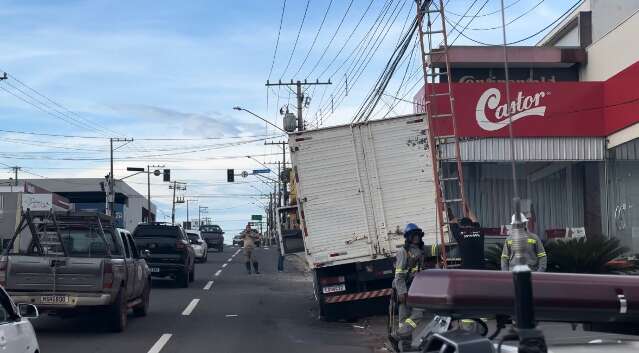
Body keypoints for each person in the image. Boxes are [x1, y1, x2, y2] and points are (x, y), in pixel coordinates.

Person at [393, 223, 426, 339]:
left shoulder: (420, 250)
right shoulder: (403, 251)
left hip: (415, 288)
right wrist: (402, 292)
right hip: (405, 289)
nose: (417, 237)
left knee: (418, 313)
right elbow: (399, 275)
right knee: (404, 319)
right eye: (414, 235)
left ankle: (396, 336)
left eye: (418, 235)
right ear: (409, 237)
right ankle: (405, 346)